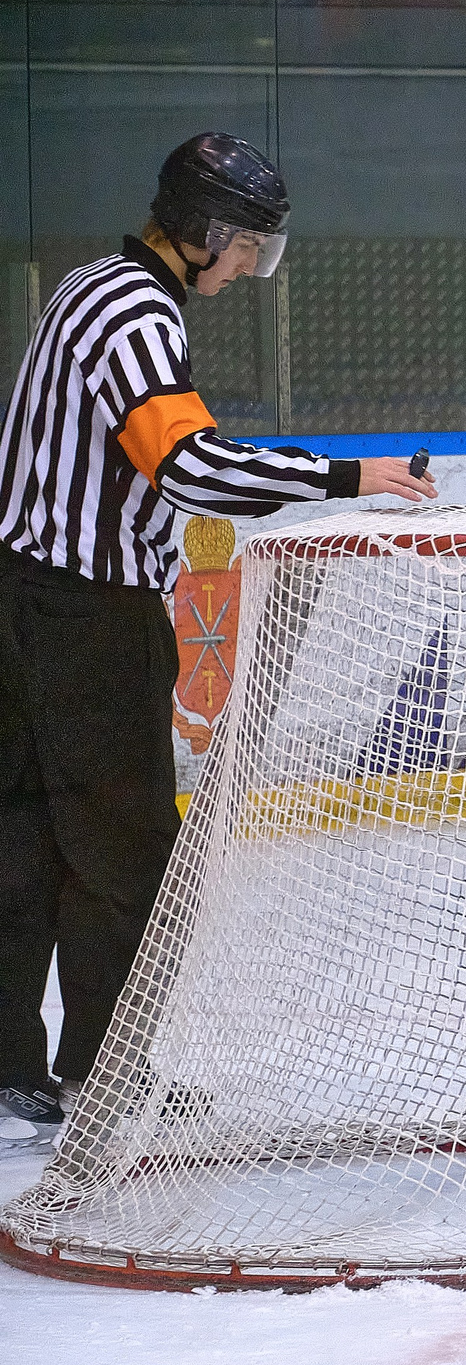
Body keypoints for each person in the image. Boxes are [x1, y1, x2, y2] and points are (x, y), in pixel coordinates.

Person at [0, 132, 434, 1151]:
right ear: (202, 233)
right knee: (123, 847)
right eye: (245, 247)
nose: (249, 268)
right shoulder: (136, 313)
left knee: (24, 839)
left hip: (18, 603)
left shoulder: (91, 283)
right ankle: (107, 1078)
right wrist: (346, 478)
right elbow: (191, 469)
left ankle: (17, 1067)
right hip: (82, 618)